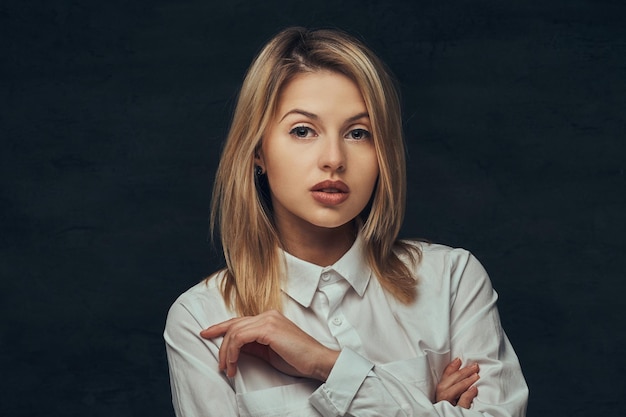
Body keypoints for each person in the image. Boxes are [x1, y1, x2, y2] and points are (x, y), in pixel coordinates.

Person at [164, 27, 528, 417]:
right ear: (258, 152)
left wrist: (328, 365)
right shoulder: (202, 317)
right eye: (303, 131)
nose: (334, 158)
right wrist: (425, 408)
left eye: (358, 133)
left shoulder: (452, 279)